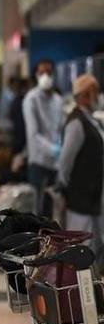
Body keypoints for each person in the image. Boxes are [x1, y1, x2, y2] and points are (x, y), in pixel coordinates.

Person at [58, 74, 104, 252]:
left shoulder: (91, 120)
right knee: (80, 246)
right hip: (80, 196)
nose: (98, 97)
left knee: (91, 245)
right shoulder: (76, 122)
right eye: (95, 93)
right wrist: (66, 188)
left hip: (91, 195)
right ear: (85, 95)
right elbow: (65, 161)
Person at [23, 59, 64, 216]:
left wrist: (61, 145)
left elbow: (60, 127)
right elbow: (33, 134)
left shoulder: (58, 100)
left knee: (51, 209)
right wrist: (53, 148)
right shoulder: (31, 99)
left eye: (49, 72)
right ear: (36, 75)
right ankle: (37, 240)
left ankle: (50, 239)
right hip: (38, 161)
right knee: (36, 209)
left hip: (55, 163)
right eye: (42, 72)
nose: (46, 75)